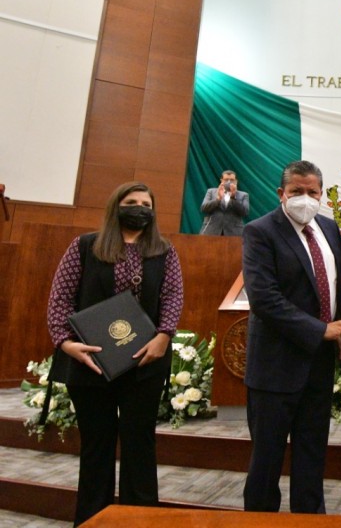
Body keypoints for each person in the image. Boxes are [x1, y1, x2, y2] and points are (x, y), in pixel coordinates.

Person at [46, 182, 184, 526]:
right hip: (90, 364)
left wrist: (164, 336)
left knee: (140, 447)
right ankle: (93, 520)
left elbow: (172, 297)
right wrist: (66, 343)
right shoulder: (85, 246)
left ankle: (141, 521)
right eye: (131, 202)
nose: (139, 208)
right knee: (97, 448)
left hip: (145, 364)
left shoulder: (164, 251)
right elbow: (60, 300)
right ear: (115, 206)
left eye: (146, 204)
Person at [242, 160, 341, 514]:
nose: (305, 198)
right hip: (275, 367)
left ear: (322, 194)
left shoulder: (329, 228)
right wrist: (321, 329)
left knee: (312, 455)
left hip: (319, 365)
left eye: (312, 192)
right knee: (266, 462)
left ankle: (310, 519)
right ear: (281, 193)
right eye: (296, 191)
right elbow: (264, 299)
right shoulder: (260, 231)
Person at [199, 170, 249, 235]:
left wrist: (233, 198)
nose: (229, 182)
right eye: (226, 180)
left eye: (232, 180)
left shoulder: (243, 195)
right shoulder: (211, 192)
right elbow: (203, 208)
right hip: (211, 231)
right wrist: (218, 199)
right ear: (221, 180)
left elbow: (245, 212)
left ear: (236, 181)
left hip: (234, 233)